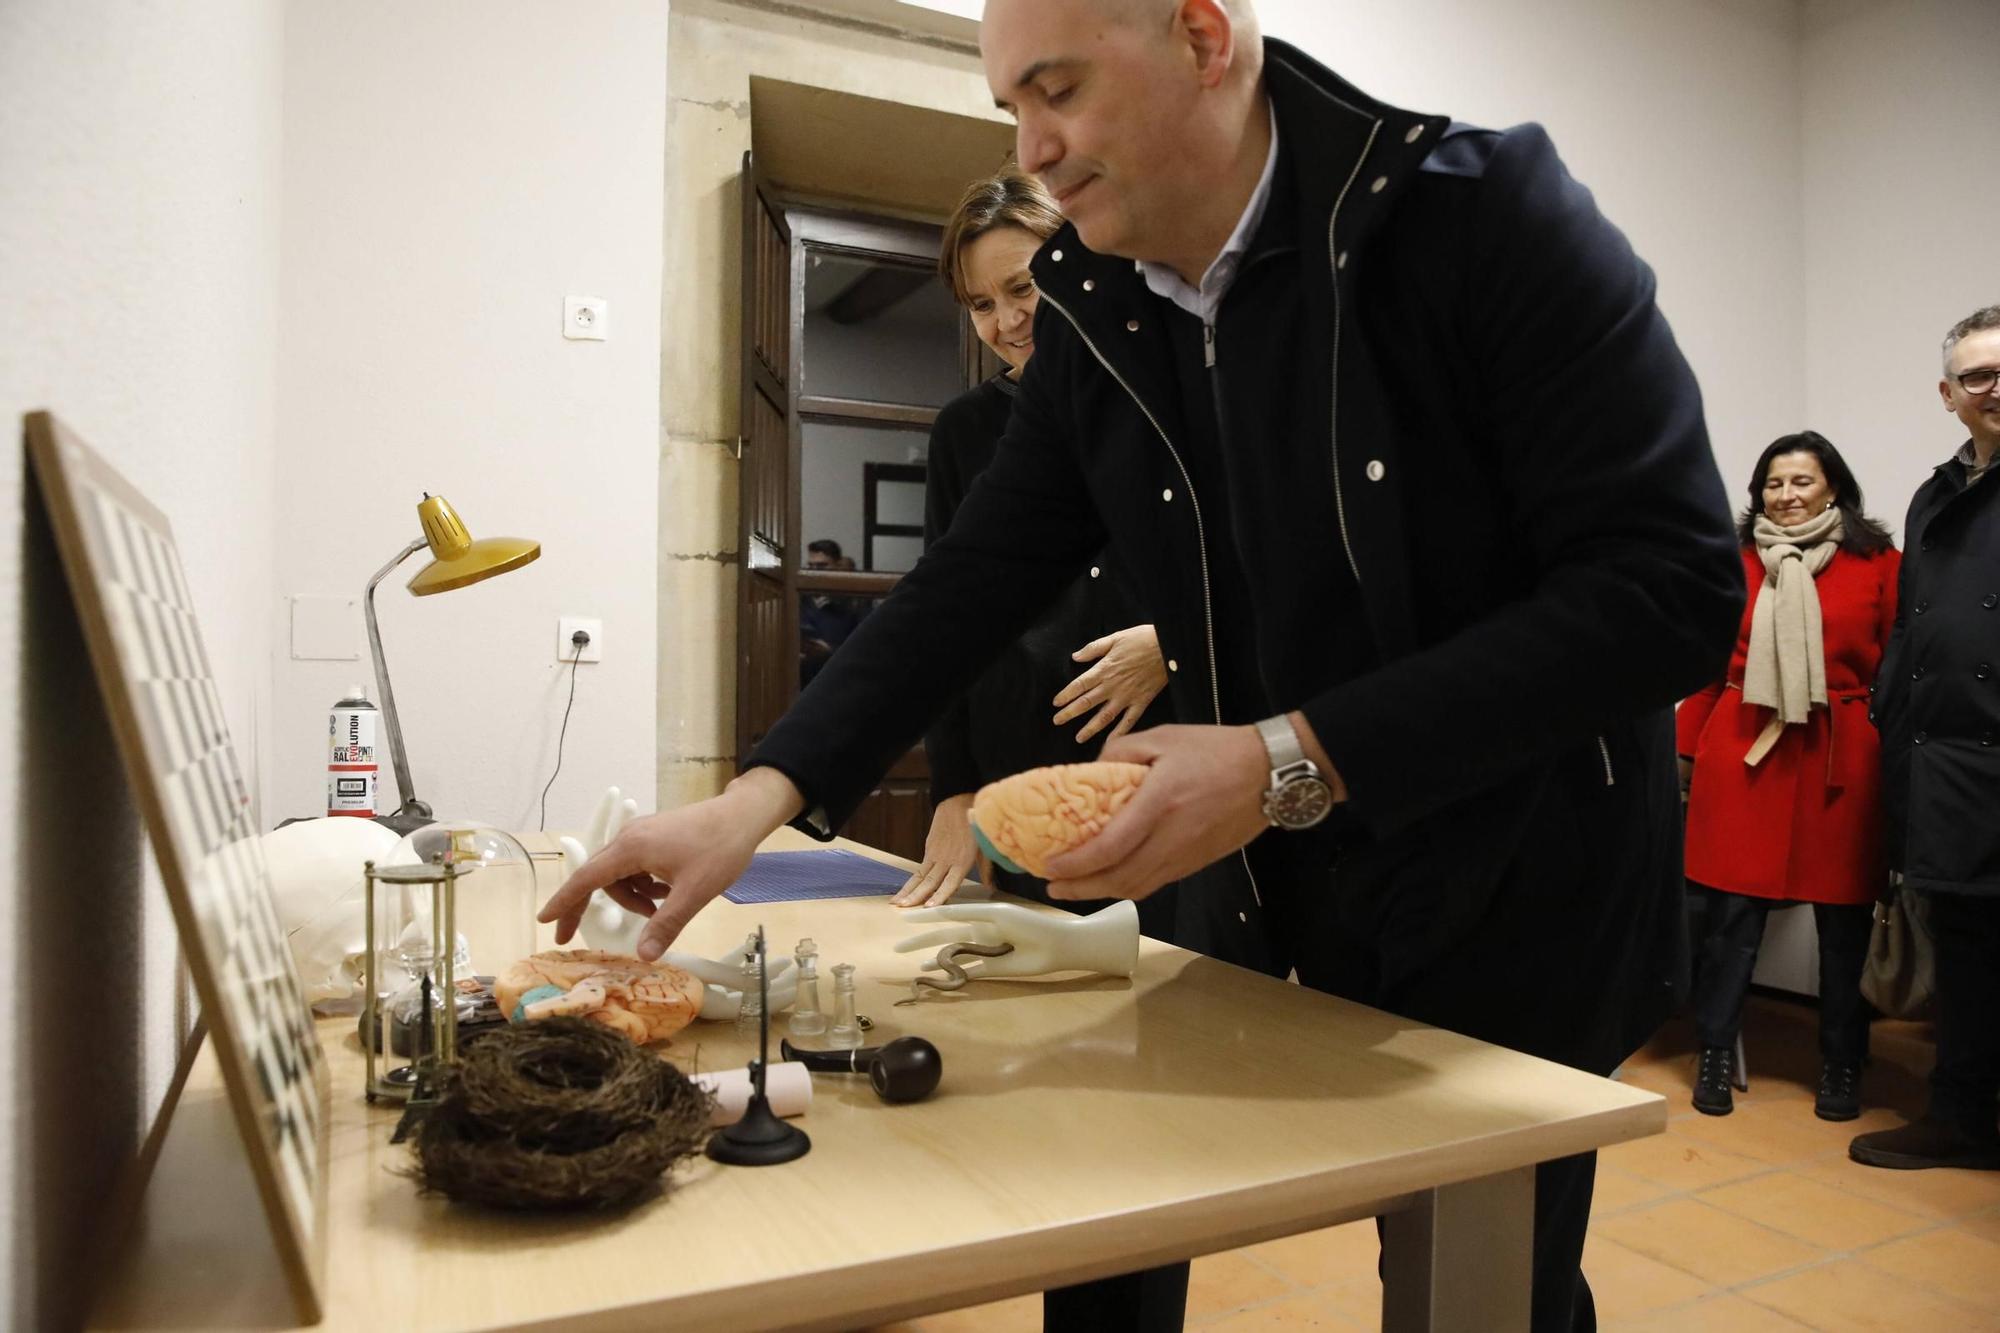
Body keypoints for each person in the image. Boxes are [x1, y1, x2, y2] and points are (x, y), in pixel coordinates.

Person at [544, 3, 1743, 1327]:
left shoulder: (1484, 213)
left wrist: (1288, 756)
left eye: (1056, 90)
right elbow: (966, 582)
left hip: (1525, 882)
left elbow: (1673, 590)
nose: (1034, 147)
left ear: (1201, 35)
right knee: (1111, 1215)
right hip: (1290, 886)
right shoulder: (1099, 316)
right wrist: (753, 799)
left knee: (1478, 1281)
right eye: (1011, 106)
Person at [893, 167, 1175, 928]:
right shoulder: (965, 430)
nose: (1006, 321)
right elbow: (943, 619)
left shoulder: (1169, 399)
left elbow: (1253, 574)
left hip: (1151, 762)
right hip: (1015, 768)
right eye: (982, 304)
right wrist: (955, 787)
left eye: (1022, 289)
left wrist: (1172, 643)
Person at [1677, 433, 1899, 1121]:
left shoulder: (1880, 564)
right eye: (1774, 483)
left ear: (1834, 487)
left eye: (1802, 480)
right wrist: (1683, 756)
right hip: (1744, 749)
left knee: (1844, 923)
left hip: (1842, 755)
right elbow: (1705, 666)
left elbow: (1898, 666)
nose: (1787, 494)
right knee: (1729, 919)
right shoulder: (1734, 563)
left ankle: (1840, 1058)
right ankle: (1713, 1049)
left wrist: (1895, 755)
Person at [1850, 304, 2000, 1173]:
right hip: (1941, 763)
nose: (1994, 388)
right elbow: (1911, 625)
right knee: (1967, 952)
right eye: (1977, 375)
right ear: (1948, 395)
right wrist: (1887, 711)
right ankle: (1961, 1116)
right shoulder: (1935, 491)